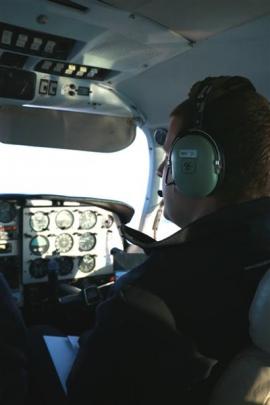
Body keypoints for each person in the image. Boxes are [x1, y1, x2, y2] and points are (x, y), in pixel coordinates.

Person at [2, 75, 270, 405]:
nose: (161, 171)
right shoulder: (252, 260)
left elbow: (86, 389)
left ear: (194, 166)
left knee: (30, 331)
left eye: (169, 153)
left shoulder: (151, 295)